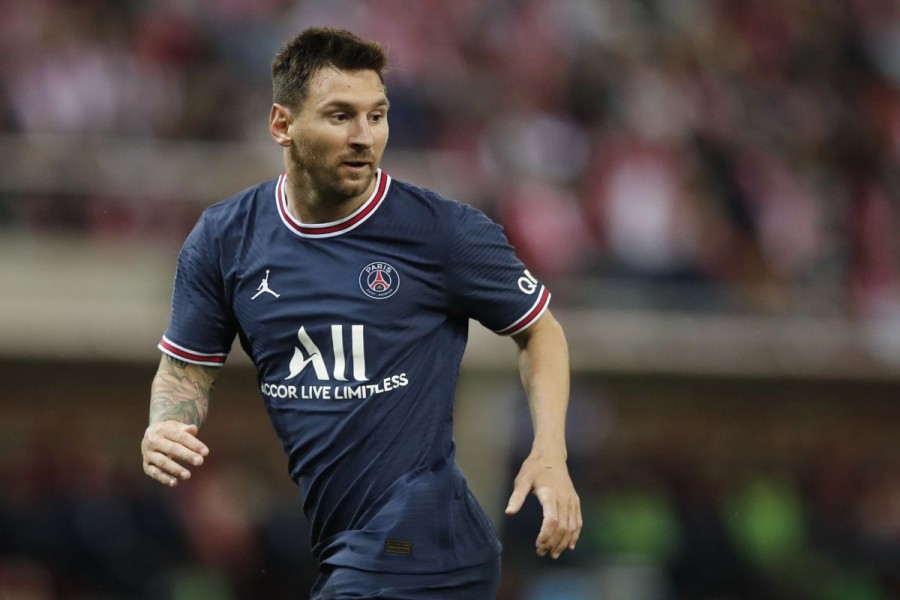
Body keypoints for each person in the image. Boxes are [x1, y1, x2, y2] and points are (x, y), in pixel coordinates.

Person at [140, 27, 581, 599]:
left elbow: (540, 329)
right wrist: (167, 423)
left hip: (420, 538)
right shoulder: (226, 238)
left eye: (377, 116)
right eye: (340, 116)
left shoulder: (441, 231)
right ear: (282, 125)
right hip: (347, 542)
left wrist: (549, 450)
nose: (363, 136)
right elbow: (187, 367)